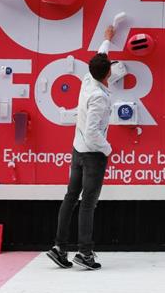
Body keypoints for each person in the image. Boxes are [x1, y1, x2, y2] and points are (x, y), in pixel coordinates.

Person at [46, 25, 116, 270]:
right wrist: (108, 149)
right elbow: (93, 132)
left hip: (77, 150)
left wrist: (107, 40)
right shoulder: (99, 97)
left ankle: (59, 247)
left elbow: (100, 56)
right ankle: (84, 254)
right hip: (92, 155)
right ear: (108, 73)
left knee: (70, 197)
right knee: (88, 203)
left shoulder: (88, 79)